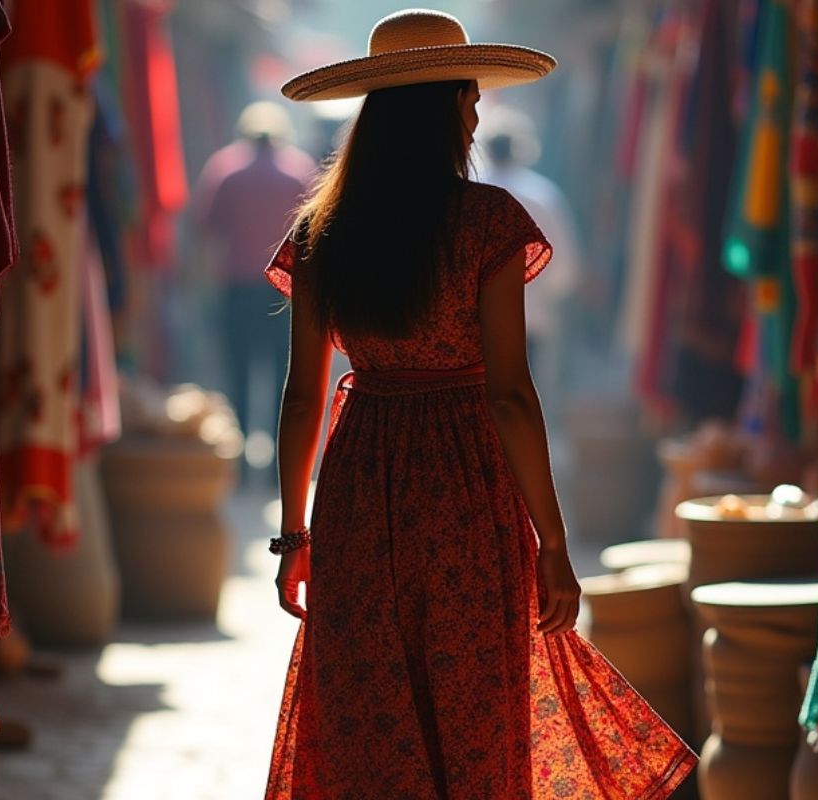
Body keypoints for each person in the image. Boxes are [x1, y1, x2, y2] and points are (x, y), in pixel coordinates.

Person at [262, 10, 697, 798]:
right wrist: (554, 541)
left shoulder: (320, 232)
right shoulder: (489, 222)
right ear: (441, 107)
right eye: (468, 97)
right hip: (466, 490)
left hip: (360, 485)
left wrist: (294, 534)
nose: (474, 113)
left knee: (373, 712)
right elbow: (509, 392)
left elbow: (300, 397)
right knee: (475, 714)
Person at [193, 101, 314, 477]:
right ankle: (281, 469)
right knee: (285, 380)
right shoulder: (299, 171)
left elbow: (205, 229)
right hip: (285, 291)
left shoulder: (225, 168)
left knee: (238, 376)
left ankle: (242, 467)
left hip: (238, 289)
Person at [477, 106, 583, 416]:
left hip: (474, 322)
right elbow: (566, 269)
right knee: (516, 406)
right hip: (529, 320)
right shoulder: (544, 195)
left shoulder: (471, 192)